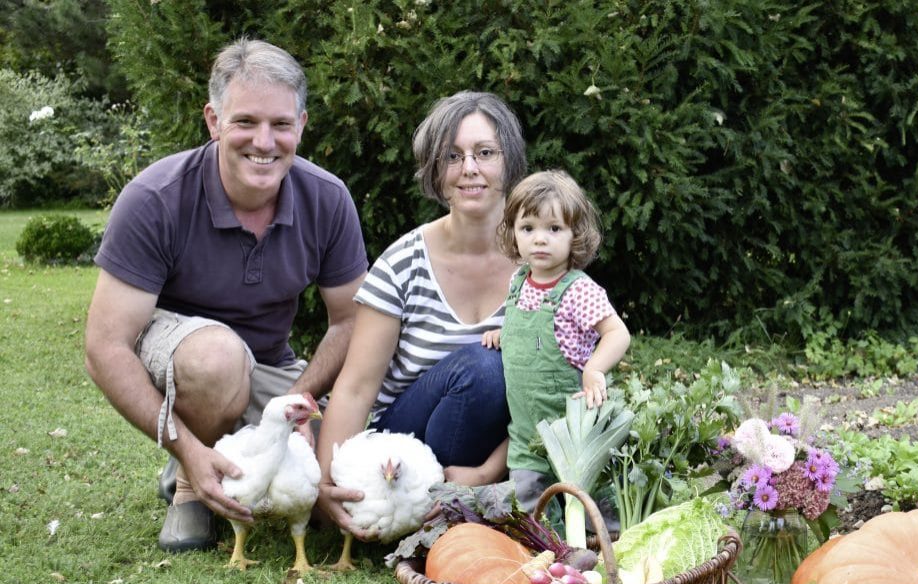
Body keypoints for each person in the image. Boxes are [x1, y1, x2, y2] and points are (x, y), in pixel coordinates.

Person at [83, 39, 368, 553]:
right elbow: (104, 348)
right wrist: (187, 448)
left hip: (269, 367)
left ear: (301, 125)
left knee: (350, 478)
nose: (265, 141)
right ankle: (191, 483)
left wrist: (297, 404)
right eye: (245, 122)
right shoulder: (155, 199)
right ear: (214, 121)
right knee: (217, 359)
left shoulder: (327, 198)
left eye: (281, 124)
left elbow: (350, 322)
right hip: (186, 360)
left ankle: (237, 450)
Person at [315, 91, 526, 540]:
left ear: (509, 161)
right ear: (436, 170)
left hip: (496, 449)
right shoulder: (404, 263)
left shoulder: (541, 265)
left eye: (485, 153)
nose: (469, 168)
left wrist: (489, 472)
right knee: (485, 367)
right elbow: (354, 387)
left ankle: (460, 506)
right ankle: (432, 511)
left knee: (502, 369)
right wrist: (323, 486)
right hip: (401, 449)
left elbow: (558, 389)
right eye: (452, 156)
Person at [481, 170, 631, 513]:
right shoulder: (518, 283)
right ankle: (551, 559)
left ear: (574, 235)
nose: (540, 239)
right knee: (535, 517)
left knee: (593, 511)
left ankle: (604, 550)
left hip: (573, 432)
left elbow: (617, 333)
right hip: (526, 438)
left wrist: (595, 368)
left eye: (554, 229)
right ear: (513, 234)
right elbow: (529, 335)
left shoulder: (578, 290)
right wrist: (502, 334)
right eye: (528, 228)